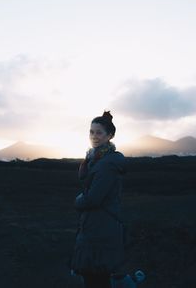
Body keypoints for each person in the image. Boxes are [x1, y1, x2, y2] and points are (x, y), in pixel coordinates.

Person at [70, 110, 127, 288]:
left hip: (101, 227)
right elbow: (85, 180)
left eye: (99, 132)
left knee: (96, 276)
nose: (94, 136)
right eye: (91, 132)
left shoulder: (107, 164)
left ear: (110, 135)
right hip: (96, 225)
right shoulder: (96, 158)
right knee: (95, 276)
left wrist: (78, 201)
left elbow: (93, 198)